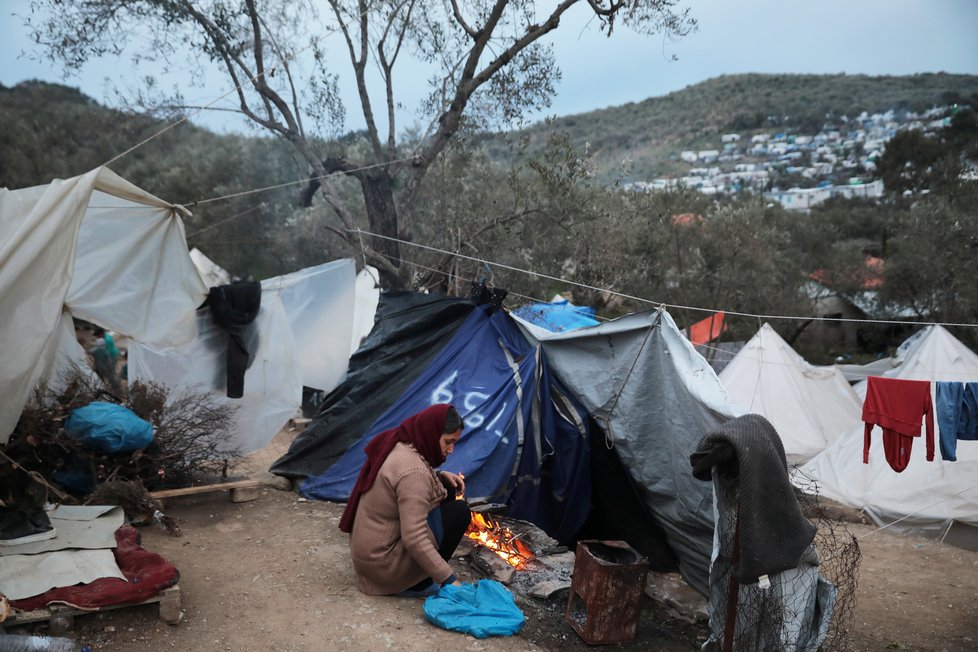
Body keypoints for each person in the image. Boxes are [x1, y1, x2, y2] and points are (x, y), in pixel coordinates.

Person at [340, 403, 471, 596]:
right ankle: (416, 584)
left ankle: (419, 572)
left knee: (447, 489)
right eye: (447, 442)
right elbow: (414, 538)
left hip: (369, 559)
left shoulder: (399, 444)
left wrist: (440, 475)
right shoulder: (414, 473)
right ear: (432, 434)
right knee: (459, 513)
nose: (451, 449)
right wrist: (450, 580)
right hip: (383, 569)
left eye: (454, 443)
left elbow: (404, 481)